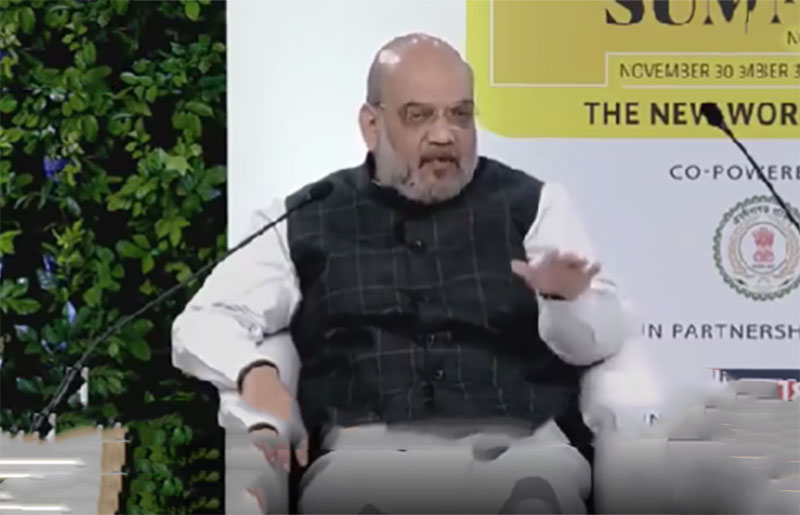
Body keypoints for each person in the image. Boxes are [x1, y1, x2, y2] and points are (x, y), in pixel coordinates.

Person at [172, 33, 631, 514]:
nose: (444, 135)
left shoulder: (535, 205)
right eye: (419, 116)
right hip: (366, 462)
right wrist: (255, 373)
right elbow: (203, 320)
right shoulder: (305, 216)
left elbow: (599, 341)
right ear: (372, 125)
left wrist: (566, 301)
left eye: (460, 115)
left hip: (518, 452)